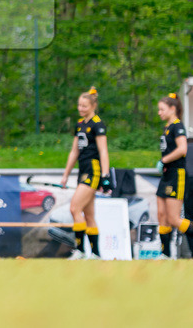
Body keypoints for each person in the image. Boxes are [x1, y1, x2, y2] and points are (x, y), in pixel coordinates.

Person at [155, 93, 193, 259]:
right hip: (166, 175)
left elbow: (182, 149)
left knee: (174, 219)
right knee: (161, 215)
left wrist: (164, 160)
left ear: (172, 109)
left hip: (177, 174)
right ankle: (165, 254)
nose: (159, 112)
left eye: (162, 109)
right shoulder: (167, 127)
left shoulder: (177, 126)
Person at [59, 87, 111, 259]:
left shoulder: (98, 124)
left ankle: (80, 251)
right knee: (88, 215)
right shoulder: (80, 124)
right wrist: (66, 174)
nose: (81, 109)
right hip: (82, 170)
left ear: (93, 105)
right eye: (79, 105)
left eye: (84, 106)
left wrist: (105, 176)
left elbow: (103, 151)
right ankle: (96, 254)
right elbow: (74, 151)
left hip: (93, 170)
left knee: (74, 208)